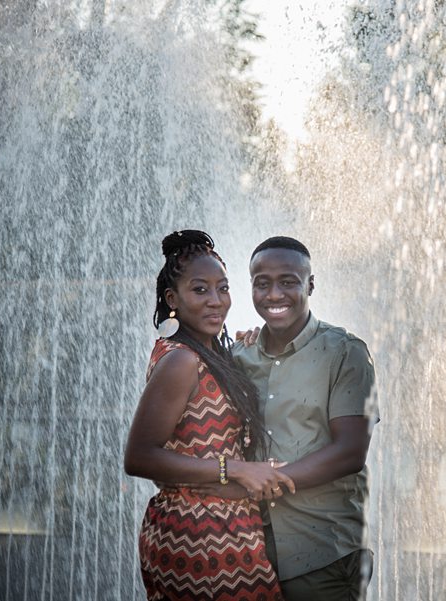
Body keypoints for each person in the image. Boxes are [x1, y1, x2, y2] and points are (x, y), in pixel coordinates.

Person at [124, 230, 295, 601]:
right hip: (196, 535)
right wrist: (234, 470)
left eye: (223, 288)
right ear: (173, 299)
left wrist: (254, 348)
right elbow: (139, 456)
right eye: (200, 290)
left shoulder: (207, 354)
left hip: (228, 526)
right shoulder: (181, 360)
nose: (216, 301)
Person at [234, 236, 377, 601]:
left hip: (324, 552)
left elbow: (350, 452)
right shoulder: (241, 357)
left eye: (288, 281)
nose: (274, 294)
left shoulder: (345, 353)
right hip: (251, 552)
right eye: (262, 283)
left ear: (310, 284)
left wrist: (269, 479)